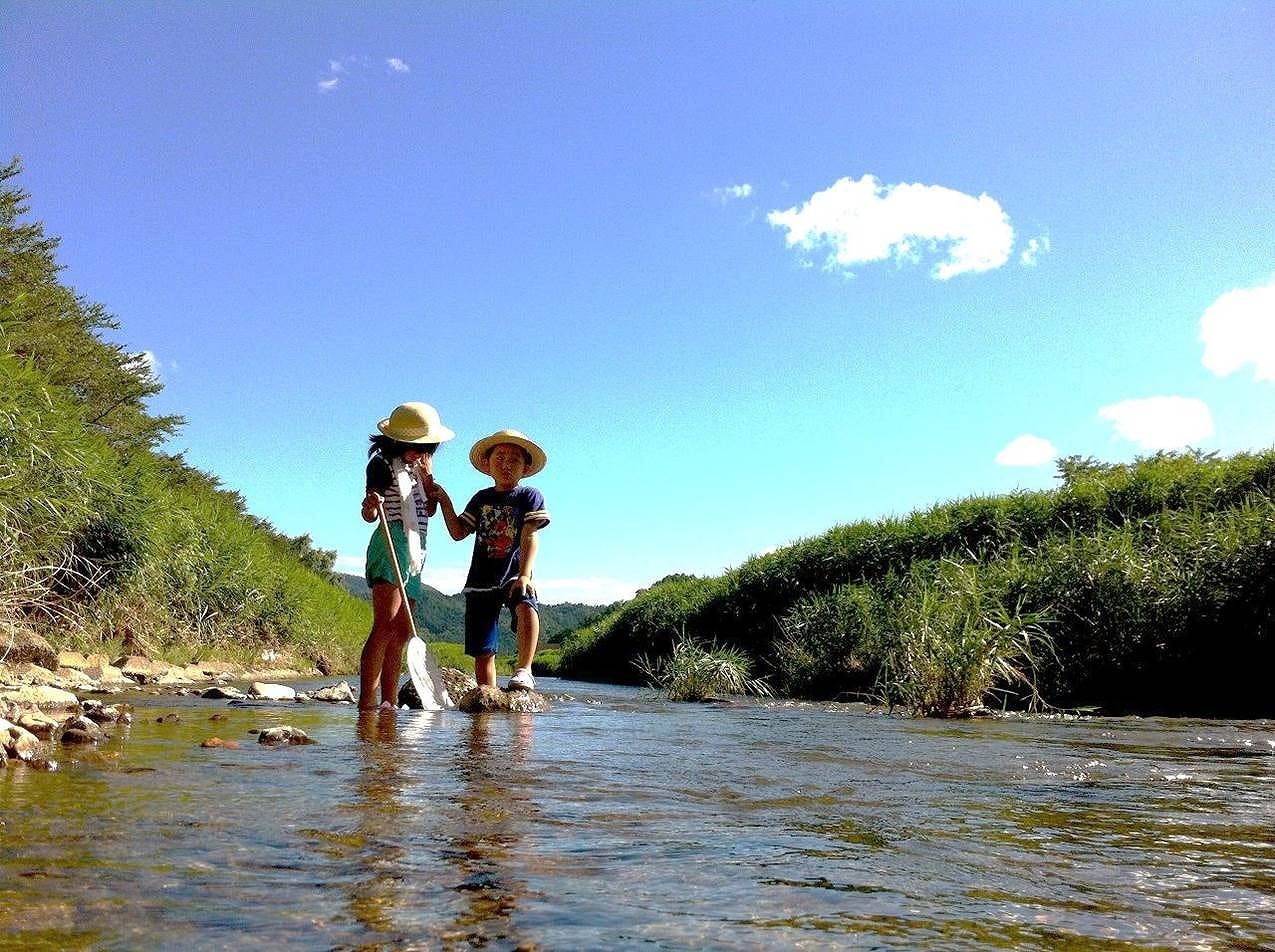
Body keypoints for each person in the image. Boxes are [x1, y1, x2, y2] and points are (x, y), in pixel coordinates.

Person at [429, 429, 550, 692]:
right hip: (480, 579)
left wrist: (525, 574)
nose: (506, 464)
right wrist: (445, 502)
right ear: (487, 464)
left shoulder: (529, 496)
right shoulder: (481, 498)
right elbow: (459, 532)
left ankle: (524, 670)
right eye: (500, 458)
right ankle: (487, 699)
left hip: (513, 573)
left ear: (526, 467)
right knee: (483, 649)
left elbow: (530, 535)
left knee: (526, 603)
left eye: (514, 460)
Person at [358, 402, 455, 711]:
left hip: (416, 552)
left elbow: (429, 510)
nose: (420, 453)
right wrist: (371, 504)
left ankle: (388, 701)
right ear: (397, 441)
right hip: (390, 544)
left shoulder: (419, 469)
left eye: (426, 448)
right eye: (415, 447)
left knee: (401, 632)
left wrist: (429, 479)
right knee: (385, 625)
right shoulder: (382, 464)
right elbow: (369, 513)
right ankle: (367, 702)